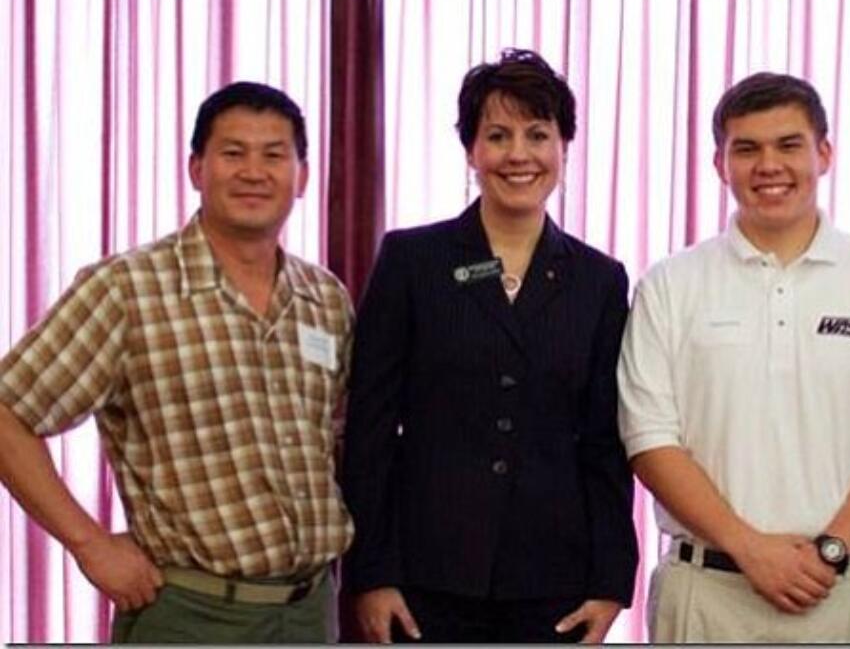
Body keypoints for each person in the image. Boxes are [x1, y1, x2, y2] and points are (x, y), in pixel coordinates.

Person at [0, 81, 354, 643]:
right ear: (196, 168)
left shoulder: (326, 300)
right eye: (233, 153)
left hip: (310, 612)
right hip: (192, 614)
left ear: (302, 176)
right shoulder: (128, 290)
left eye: (274, 155)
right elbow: (7, 414)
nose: (254, 172)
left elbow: (335, 438)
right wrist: (88, 544)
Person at [617, 72, 850, 642]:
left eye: (789, 145)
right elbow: (650, 440)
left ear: (824, 154)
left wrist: (828, 551)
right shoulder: (670, 285)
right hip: (706, 596)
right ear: (720, 164)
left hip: (841, 596)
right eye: (746, 149)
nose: (768, 165)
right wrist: (750, 548)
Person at [340, 48, 638, 644]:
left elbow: (606, 441)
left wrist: (610, 582)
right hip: (424, 579)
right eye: (498, 135)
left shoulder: (598, 279)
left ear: (563, 147)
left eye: (538, 134)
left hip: (554, 582)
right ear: (472, 151)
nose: (519, 154)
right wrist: (371, 573)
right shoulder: (412, 261)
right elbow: (369, 429)